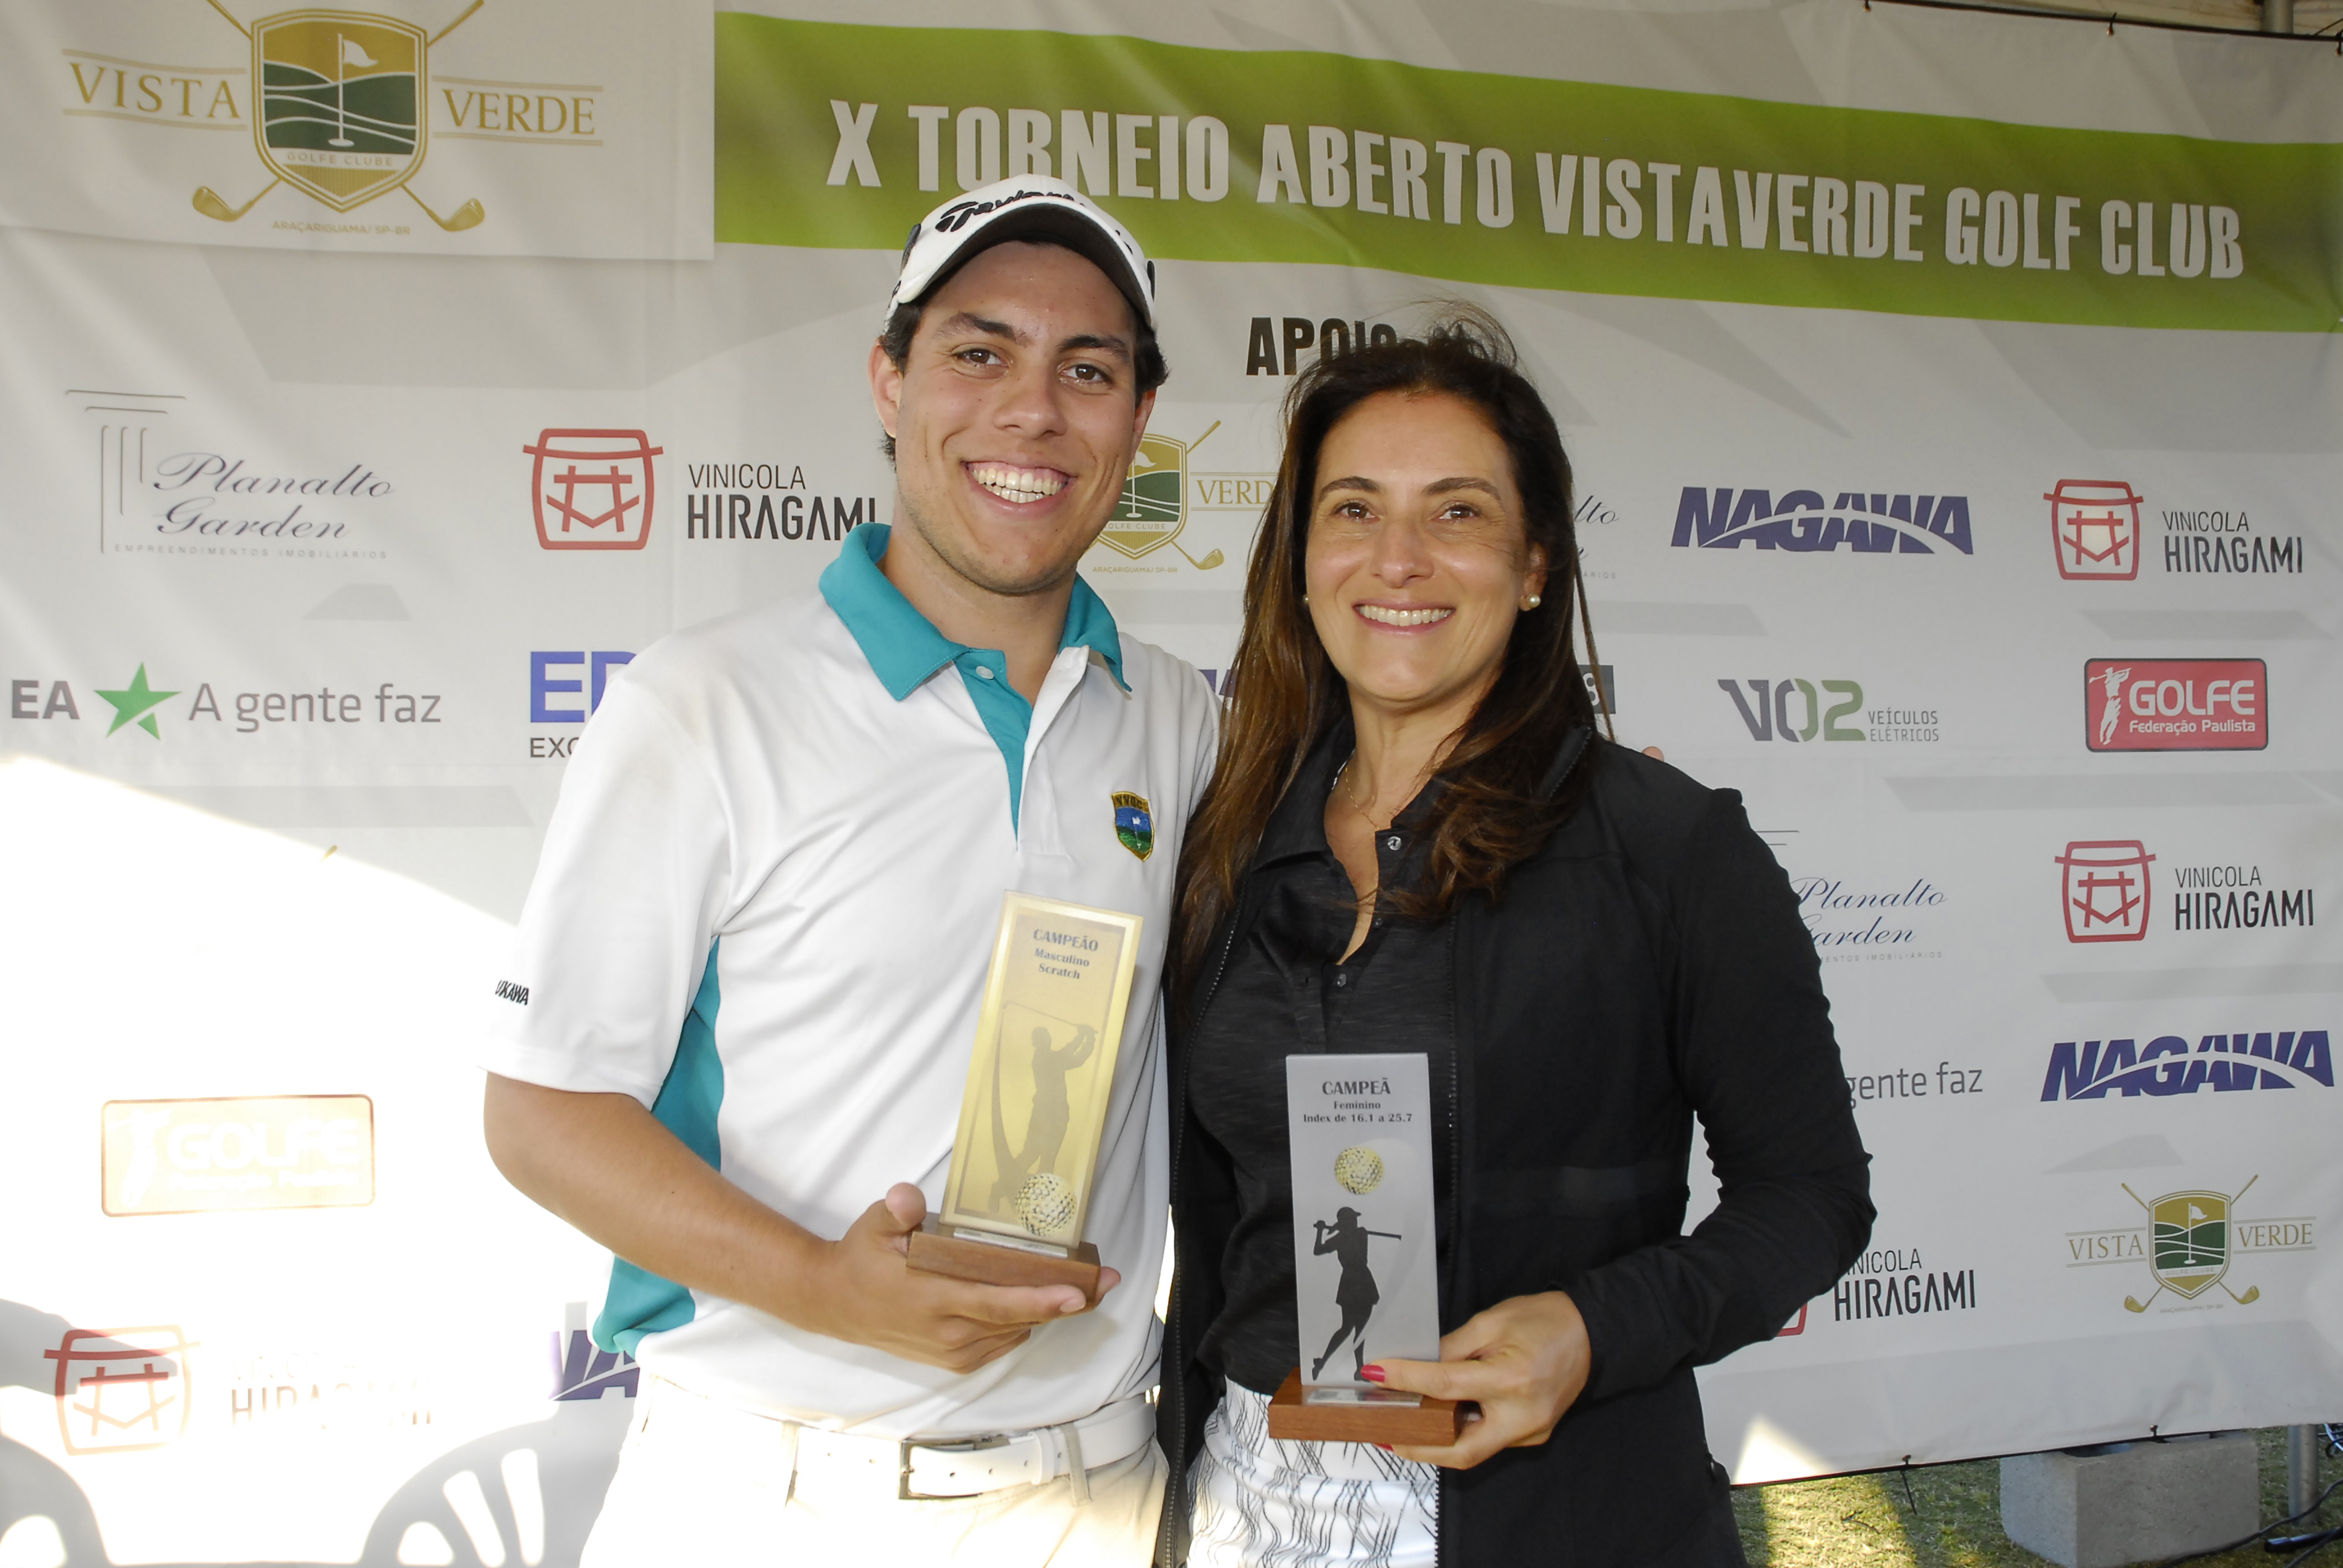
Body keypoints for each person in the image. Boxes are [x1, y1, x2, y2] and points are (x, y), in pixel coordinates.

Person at [479, 175, 1217, 1566]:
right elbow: (541, 1112)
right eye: (977, 352)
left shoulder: (1181, 720)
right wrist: (830, 1287)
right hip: (779, 1501)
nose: (1032, 411)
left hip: (1101, 1492)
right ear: (889, 382)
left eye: (1090, 369)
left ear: (1137, 420)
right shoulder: (702, 704)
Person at [1157, 310, 1873, 1568]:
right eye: (1353, 509)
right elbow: (1210, 1218)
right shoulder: (1222, 844)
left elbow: (1811, 1200)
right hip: (1255, 1508)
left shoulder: (1667, 848)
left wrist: (1595, 1329)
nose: (1397, 559)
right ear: (1299, 556)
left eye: (1456, 512)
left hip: (1566, 1509)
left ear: (1536, 563)